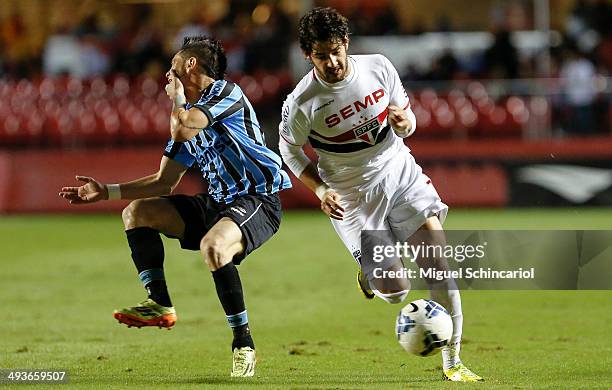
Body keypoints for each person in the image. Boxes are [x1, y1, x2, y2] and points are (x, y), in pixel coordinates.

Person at [59, 36, 291, 378]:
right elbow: (163, 182)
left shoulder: (226, 94)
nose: (168, 74)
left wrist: (178, 100)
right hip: (216, 202)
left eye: (173, 66)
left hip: (256, 199)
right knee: (137, 212)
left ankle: (243, 344)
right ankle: (159, 304)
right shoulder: (187, 117)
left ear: (190, 64)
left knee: (213, 246)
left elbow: (182, 128)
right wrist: (105, 191)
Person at [278, 7, 482, 382]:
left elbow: (406, 118)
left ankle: (454, 363)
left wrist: (408, 122)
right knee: (395, 290)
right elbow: (289, 151)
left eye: (336, 50)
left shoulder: (379, 67)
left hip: (398, 172)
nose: (333, 61)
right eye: (322, 55)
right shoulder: (301, 102)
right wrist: (320, 188)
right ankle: (371, 276)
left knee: (440, 270)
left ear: (346, 44)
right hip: (351, 196)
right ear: (308, 55)